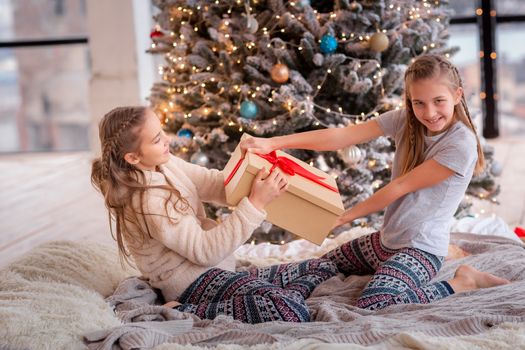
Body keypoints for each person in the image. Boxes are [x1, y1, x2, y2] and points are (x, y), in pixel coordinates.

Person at [241, 54, 510, 310]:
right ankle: (246, 281)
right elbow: (342, 137)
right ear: (410, 101)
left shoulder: (460, 144)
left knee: (375, 303)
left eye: (439, 101)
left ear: (457, 95)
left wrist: (342, 218)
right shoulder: (405, 119)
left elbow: (400, 187)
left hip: (421, 249)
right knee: (319, 266)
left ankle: (463, 281)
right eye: (419, 103)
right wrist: (274, 143)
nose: (429, 112)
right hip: (385, 242)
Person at [92, 105, 348, 324]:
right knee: (290, 310)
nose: (167, 139)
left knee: (322, 267)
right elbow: (205, 251)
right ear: (133, 157)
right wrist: (255, 203)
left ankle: (262, 294)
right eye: (157, 139)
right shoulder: (148, 200)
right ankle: (182, 310)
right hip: (192, 284)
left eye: (162, 132)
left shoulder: (163, 163)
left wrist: (249, 171)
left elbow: (215, 184)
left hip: (220, 269)